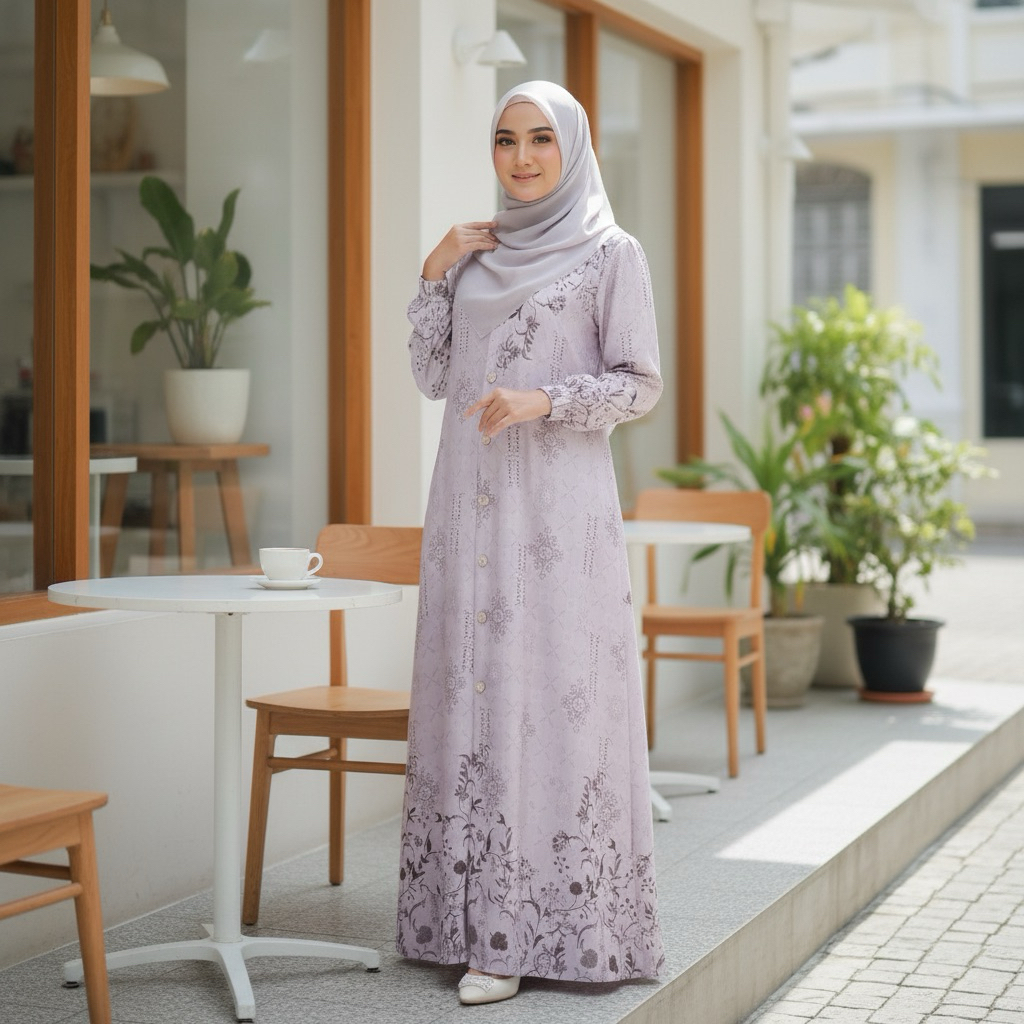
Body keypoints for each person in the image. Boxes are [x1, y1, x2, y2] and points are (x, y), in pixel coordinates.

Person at [396, 80, 665, 1006]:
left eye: (541, 139)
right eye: (506, 140)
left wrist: (544, 399)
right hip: (466, 514)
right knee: (470, 696)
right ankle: (461, 924)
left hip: (558, 517)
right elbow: (434, 376)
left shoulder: (612, 253)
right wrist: (433, 273)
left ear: (573, 148)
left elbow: (639, 383)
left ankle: (526, 934)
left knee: (550, 702)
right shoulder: (476, 258)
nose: (521, 158)